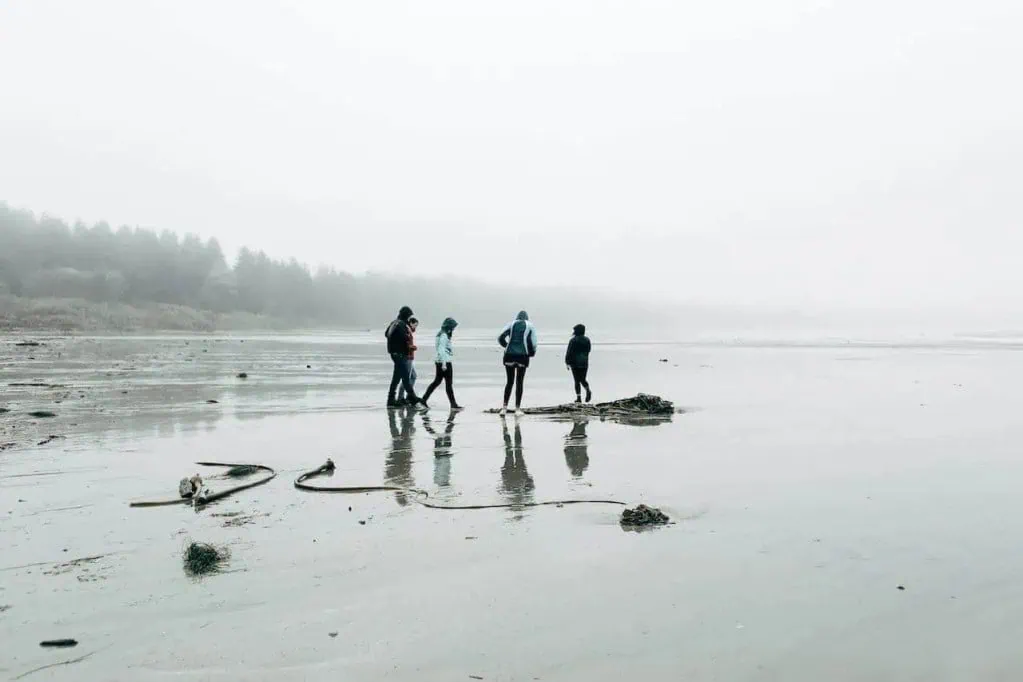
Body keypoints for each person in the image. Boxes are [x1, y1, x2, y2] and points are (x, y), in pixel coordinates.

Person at [498, 310, 538, 416]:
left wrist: (506, 346)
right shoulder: (530, 325)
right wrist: (532, 353)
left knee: (509, 382)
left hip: (509, 355)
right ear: (527, 317)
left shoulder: (511, 324)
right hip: (522, 356)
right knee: (519, 382)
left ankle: (504, 408)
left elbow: (500, 337)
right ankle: (517, 409)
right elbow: (534, 342)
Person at [385, 306, 422, 408]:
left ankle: (390, 400)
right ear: (406, 315)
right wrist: (408, 346)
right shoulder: (401, 324)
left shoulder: (394, 323)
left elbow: (386, 334)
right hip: (400, 354)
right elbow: (404, 338)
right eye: (409, 315)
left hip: (394, 354)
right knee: (405, 378)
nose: (409, 317)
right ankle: (413, 398)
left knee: (396, 378)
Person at [422, 317, 460, 409]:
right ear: (449, 327)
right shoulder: (444, 335)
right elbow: (441, 349)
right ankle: (453, 404)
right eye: (453, 327)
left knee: (437, 382)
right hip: (444, 361)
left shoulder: (440, 334)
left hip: (439, 361)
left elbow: (440, 349)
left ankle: (423, 400)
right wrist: (444, 364)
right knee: (448, 384)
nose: (453, 329)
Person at [565, 323, 592, 403]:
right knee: (583, 379)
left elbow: (569, 352)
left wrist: (567, 362)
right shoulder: (587, 340)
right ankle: (588, 390)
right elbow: (589, 350)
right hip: (584, 362)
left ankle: (579, 398)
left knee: (577, 380)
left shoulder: (573, 340)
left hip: (575, 362)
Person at [396, 317, 419, 405]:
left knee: (413, 376)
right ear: (411, 323)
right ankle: (401, 397)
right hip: (407, 357)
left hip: (409, 357)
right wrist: (414, 347)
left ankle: (407, 396)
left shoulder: (408, 331)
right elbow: (406, 345)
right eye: (415, 325)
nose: (415, 327)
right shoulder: (406, 331)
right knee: (406, 379)